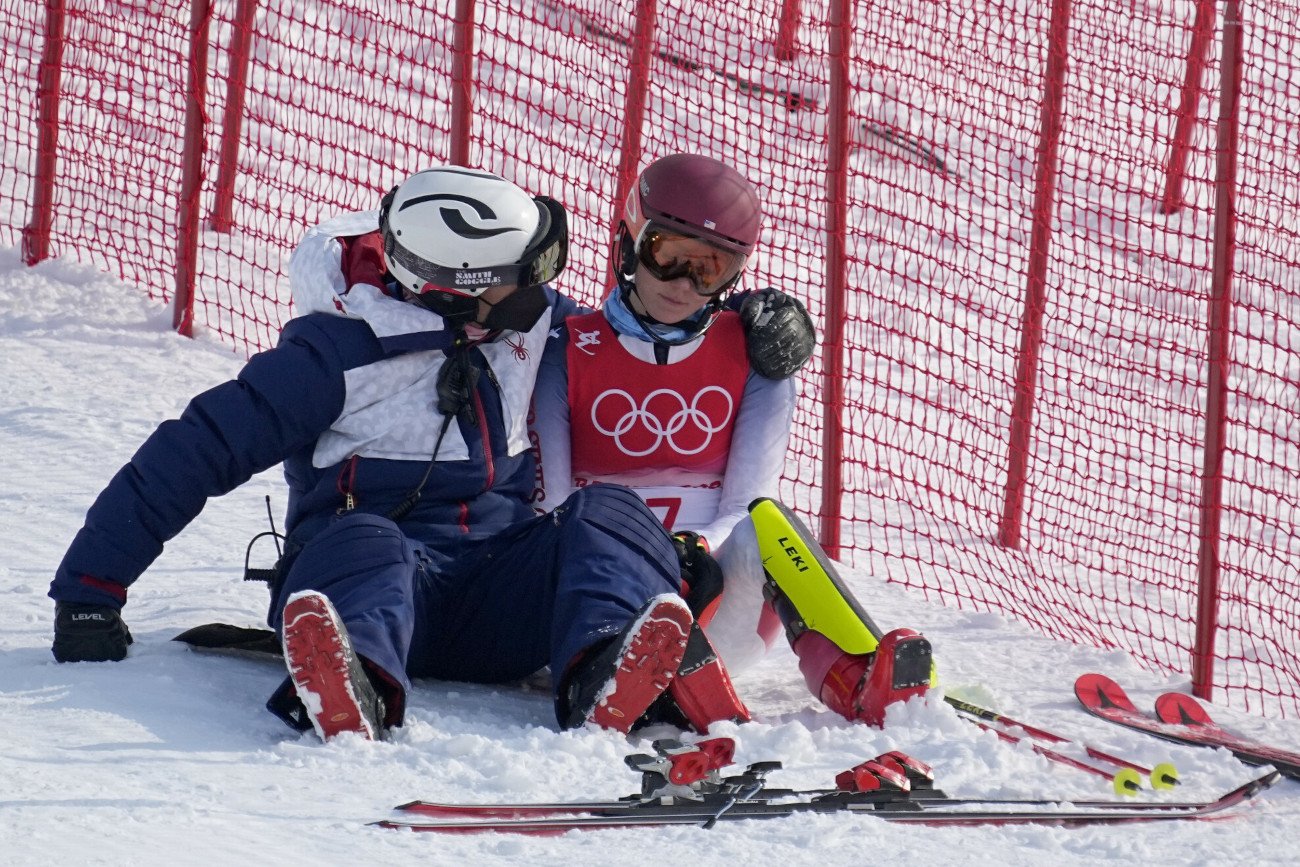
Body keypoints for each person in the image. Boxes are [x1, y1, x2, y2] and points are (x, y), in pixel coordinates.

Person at [49, 166, 803, 742]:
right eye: (522, 278)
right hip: (369, 586)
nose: (543, 292)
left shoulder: (524, 326)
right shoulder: (334, 358)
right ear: (459, 291)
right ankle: (353, 682)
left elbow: (641, 332)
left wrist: (756, 323)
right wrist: (91, 585)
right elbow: (197, 449)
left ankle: (611, 668)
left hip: (493, 591)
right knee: (367, 537)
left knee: (609, 511)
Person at [532, 153, 932, 730]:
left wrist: (693, 551)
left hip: (717, 593)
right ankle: (644, 678)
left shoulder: (758, 354)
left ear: (734, 276)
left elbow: (750, 500)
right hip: (592, 596)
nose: (682, 284)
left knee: (770, 527)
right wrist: (652, 563)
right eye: (666, 256)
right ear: (629, 243)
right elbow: (553, 504)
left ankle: (855, 677)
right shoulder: (568, 348)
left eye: (709, 268)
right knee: (574, 533)